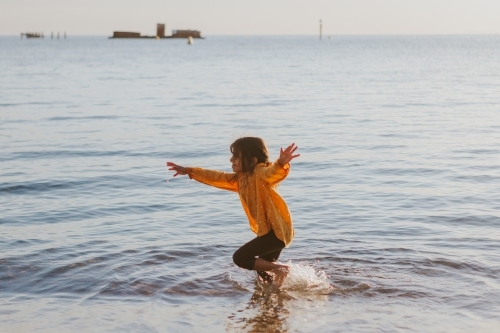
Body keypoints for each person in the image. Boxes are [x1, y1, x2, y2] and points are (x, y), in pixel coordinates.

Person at [167, 137, 299, 286]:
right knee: (262, 273)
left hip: (277, 232)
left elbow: (272, 172)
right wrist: (188, 171)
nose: (231, 160)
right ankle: (276, 296)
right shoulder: (240, 178)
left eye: (237, 156)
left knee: (240, 258)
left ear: (253, 160)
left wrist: (281, 163)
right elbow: (216, 176)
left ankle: (282, 270)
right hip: (268, 232)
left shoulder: (260, 172)